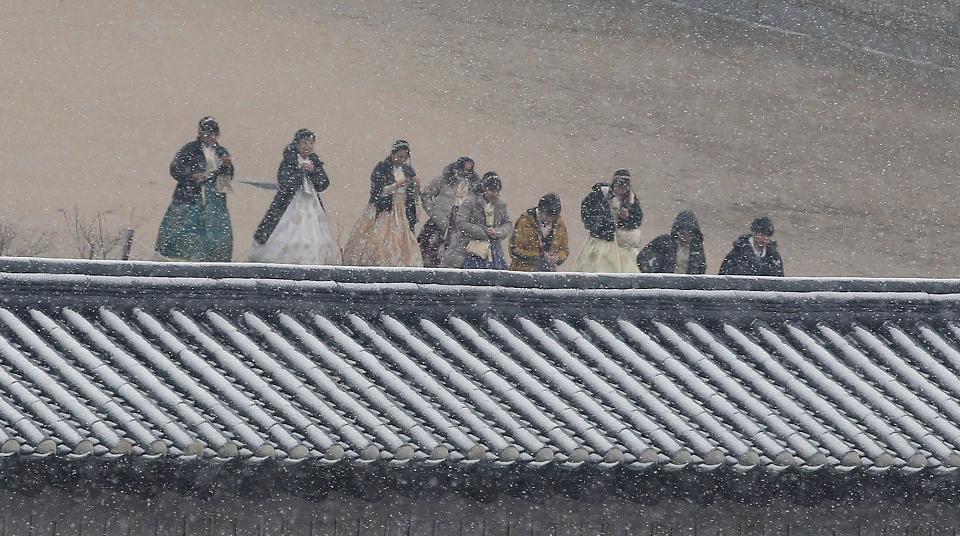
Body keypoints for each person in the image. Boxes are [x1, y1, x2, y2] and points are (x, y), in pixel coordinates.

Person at [248, 129, 340, 265]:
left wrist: (314, 171)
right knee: (287, 231)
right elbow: (285, 182)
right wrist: (300, 170)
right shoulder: (289, 160)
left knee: (312, 234)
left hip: (311, 203)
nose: (308, 146)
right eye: (305, 142)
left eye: (311, 143)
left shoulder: (314, 162)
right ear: (297, 144)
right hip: (290, 203)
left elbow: (323, 183)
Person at [154, 117, 234, 262]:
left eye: (213, 134)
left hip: (213, 199)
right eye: (207, 134)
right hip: (190, 196)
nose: (210, 137)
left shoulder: (221, 152)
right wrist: (192, 177)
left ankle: (213, 257)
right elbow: (175, 169)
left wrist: (226, 167)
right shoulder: (190, 149)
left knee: (215, 230)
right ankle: (178, 255)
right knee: (184, 227)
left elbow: (225, 182)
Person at [342, 140, 422, 267]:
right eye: (399, 156)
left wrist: (416, 185)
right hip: (385, 208)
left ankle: (402, 263)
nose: (402, 160)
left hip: (401, 209)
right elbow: (378, 191)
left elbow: (413, 196)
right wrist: (395, 185)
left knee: (402, 239)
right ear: (392, 154)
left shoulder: (408, 170)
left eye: (405, 157)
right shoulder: (382, 168)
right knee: (380, 237)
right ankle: (380, 262)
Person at [573, 169, 644, 273]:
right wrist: (604, 225)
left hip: (623, 245)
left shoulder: (631, 200)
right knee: (598, 268)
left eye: (624, 187)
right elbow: (588, 214)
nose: (620, 190)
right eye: (618, 186)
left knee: (627, 271)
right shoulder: (600, 195)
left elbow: (636, 220)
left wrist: (626, 219)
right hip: (601, 242)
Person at [442, 172, 512, 270]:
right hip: (467, 247)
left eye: (497, 191)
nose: (494, 193)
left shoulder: (501, 205)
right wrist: (484, 232)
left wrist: (498, 232)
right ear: (484, 189)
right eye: (491, 190)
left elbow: (507, 224)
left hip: (493, 249)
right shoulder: (470, 202)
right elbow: (461, 223)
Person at [418, 157, 479, 267]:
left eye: (468, 171)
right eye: (463, 170)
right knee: (431, 248)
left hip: (462, 223)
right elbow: (426, 195)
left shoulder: (474, 186)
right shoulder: (443, 180)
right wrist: (434, 213)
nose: (465, 173)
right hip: (441, 220)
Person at [509, 193, 569, 272]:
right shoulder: (524, 222)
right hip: (523, 272)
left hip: (548, 273)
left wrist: (557, 257)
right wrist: (540, 256)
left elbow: (564, 250)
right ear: (540, 210)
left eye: (554, 216)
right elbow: (514, 250)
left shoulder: (559, 224)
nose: (550, 219)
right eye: (547, 215)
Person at [637, 210, 706, 274]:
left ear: (694, 235)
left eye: (690, 235)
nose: (685, 237)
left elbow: (701, 268)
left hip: (687, 285)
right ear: (677, 231)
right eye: (682, 233)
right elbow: (643, 256)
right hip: (663, 283)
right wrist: (651, 275)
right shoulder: (664, 241)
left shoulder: (696, 247)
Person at [719, 216, 784, 276]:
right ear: (754, 233)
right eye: (761, 234)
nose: (765, 238)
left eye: (768, 235)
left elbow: (779, 280)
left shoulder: (773, 256)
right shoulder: (738, 252)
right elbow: (725, 277)